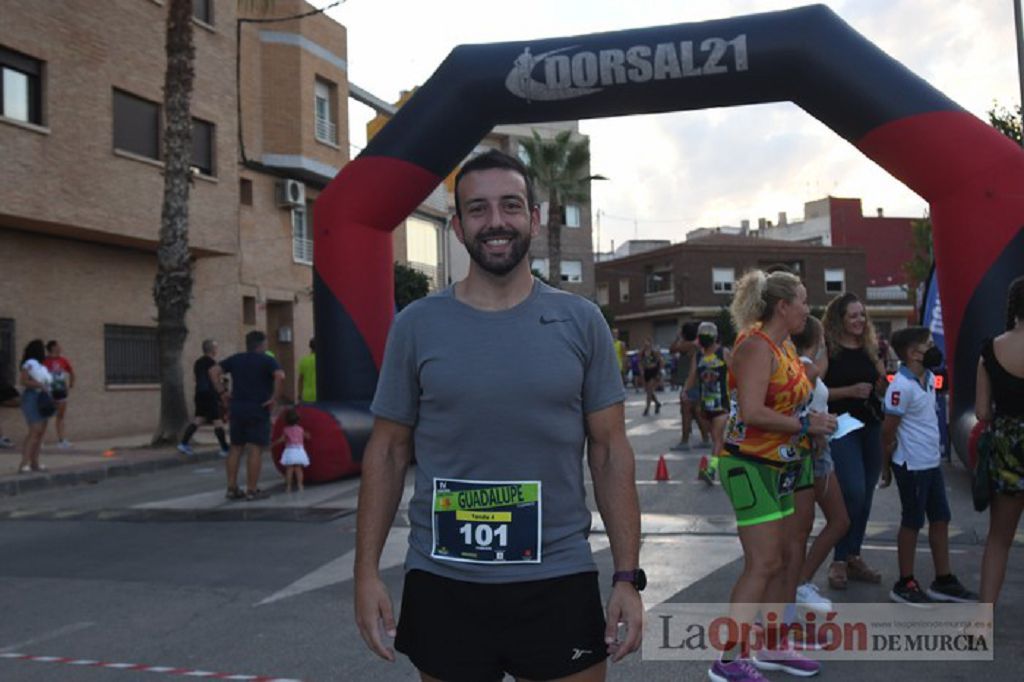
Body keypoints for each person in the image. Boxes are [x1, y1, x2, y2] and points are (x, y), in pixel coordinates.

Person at [354, 149, 643, 682]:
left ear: (533, 218)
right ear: (459, 226)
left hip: (558, 577)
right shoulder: (416, 325)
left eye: (510, 206)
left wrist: (627, 576)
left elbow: (609, 452)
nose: (496, 222)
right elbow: (389, 449)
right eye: (478, 209)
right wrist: (365, 572)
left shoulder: (582, 322)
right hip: (445, 579)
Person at [711, 269, 835, 681]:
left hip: (783, 464)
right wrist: (806, 427)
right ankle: (728, 660)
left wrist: (813, 419)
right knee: (762, 563)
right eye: (802, 300)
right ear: (782, 306)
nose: (808, 308)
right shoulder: (755, 344)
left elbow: (788, 403)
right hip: (749, 464)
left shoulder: (783, 346)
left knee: (783, 559)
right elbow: (752, 412)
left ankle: (773, 643)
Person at [880, 326, 978, 604]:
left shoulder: (929, 378)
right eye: (928, 344)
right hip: (911, 465)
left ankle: (943, 579)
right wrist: (886, 468)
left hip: (930, 462)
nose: (934, 348)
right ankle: (904, 581)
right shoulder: (901, 387)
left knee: (940, 519)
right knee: (912, 521)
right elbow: (888, 431)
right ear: (912, 353)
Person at [822, 292, 887, 589]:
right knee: (854, 491)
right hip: (841, 427)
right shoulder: (828, 351)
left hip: (870, 426)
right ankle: (838, 559)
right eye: (853, 316)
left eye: (862, 315)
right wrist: (848, 391)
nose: (860, 320)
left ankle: (853, 556)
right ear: (840, 320)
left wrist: (883, 385)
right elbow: (816, 393)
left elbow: (881, 387)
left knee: (867, 494)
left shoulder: (871, 348)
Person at [792, 316, 850, 616]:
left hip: (816, 448)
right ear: (819, 340)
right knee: (836, 521)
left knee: (810, 525)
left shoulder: (803, 365)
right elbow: (804, 407)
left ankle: (799, 582)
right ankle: (799, 582)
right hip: (814, 452)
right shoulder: (806, 368)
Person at [975, 275, 1024, 604]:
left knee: (998, 540)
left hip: (1008, 450)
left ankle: (981, 624)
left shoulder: (990, 349)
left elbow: (981, 413)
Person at [209, 331, 285, 501]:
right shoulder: (267, 360)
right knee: (255, 448)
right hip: (258, 408)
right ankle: (252, 489)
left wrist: (222, 392)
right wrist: (274, 398)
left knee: (235, 447)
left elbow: (213, 371)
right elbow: (280, 376)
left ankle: (231, 487)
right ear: (262, 345)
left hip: (237, 408)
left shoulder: (236, 359)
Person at [683, 322, 730, 474]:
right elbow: (692, 376)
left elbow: (736, 372)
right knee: (716, 438)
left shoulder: (723, 353)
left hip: (721, 403)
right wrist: (685, 391)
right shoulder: (698, 356)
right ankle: (721, 461)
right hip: (705, 405)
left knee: (716, 437)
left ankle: (712, 470)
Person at [178, 339, 230, 457]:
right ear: (212, 349)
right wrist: (222, 392)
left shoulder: (198, 362)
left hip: (199, 394)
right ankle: (225, 448)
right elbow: (215, 379)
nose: (217, 349)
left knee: (198, 419)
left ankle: (183, 443)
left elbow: (196, 379)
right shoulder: (212, 363)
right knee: (218, 421)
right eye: (216, 347)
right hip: (209, 394)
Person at [671, 321, 708, 451]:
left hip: (690, 383)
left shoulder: (688, 345)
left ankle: (684, 441)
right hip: (697, 382)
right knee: (697, 412)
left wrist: (678, 337)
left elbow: (672, 348)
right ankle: (706, 439)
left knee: (686, 412)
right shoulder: (698, 345)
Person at [17, 339, 53, 474]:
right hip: (32, 397)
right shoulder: (29, 364)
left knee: (40, 433)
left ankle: (35, 462)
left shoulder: (41, 366)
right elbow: (23, 381)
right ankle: (23, 464)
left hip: (43, 398)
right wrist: (40, 385)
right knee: (34, 430)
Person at [43, 340, 75, 448]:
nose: (60, 347)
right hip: (48, 392)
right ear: (52, 348)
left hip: (61, 391)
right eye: (58, 346)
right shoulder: (44, 361)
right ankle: (40, 440)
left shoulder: (63, 360)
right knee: (45, 416)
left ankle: (61, 441)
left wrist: (71, 384)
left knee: (60, 416)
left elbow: (71, 371)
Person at [273, 407, 310, 493]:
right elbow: (306, 436)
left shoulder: (286, 429)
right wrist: (308, 436)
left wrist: (273, 444)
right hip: (299, 451)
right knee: (298, 469)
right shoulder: (300, 429)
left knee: (289, 470)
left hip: (290, 451)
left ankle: (288, 487)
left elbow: (281, 439)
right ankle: (300, 485)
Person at [639, 337, 663, 416]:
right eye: (645, 343)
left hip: (653, 371)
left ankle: (647, 408)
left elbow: (660, 361)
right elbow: (640, 362)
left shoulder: (654, 352)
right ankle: (657, 403)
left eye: (648, 342)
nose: (646, 344)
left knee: (649, 391)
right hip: (646, 372)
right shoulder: (642, 353)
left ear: (650, 343)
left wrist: (659, 372)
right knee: (648, 390)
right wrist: (641, 371)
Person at [297, 337, 317, 402]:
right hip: (320, 395)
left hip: (307, 396)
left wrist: (300, 395)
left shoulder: (304, 360)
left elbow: (300, 380)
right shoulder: (324, 360)